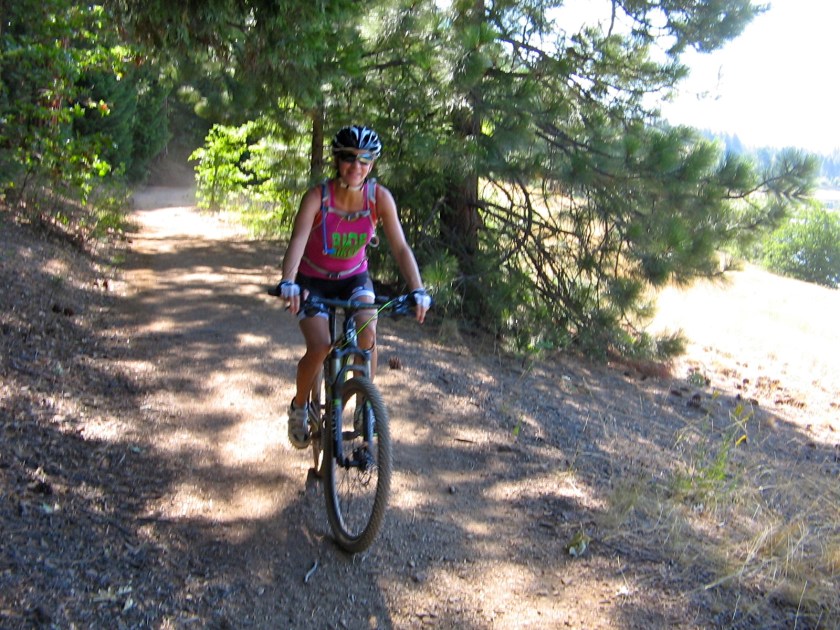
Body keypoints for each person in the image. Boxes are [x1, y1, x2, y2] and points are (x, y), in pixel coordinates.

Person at [277, 125, 431, 449]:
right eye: (349, 158)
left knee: (368, 331)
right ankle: (299, 407)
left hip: (354, 278)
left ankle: (364, 403)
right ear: (337, 160)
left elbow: (401, 247)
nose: (356, 166)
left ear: (372, 164)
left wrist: (418, 289)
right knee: (320, 346)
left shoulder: (379, 198)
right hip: (312, 280)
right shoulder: (318, 197)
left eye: (365, 160)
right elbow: (298, 240)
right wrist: (289, 282)